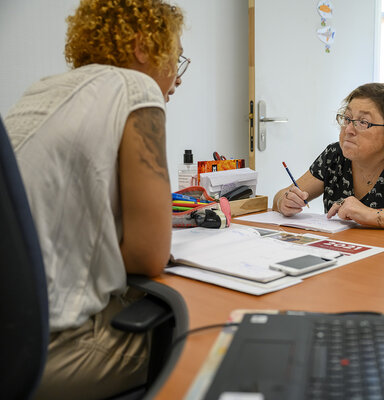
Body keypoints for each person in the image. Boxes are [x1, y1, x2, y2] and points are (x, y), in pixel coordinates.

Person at [4, 0, 187, 398]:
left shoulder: (43, 90)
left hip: (13, 328)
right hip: (46, 350)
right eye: (177, 56)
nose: (177, 77)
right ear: (143, 46)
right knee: (200, 341)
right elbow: (149, 255)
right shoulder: (136, 87)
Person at [273, 82, 384, 232]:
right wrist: (285, 201)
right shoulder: (334, 156)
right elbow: (280, 196)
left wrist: (370, 215)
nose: (348, 130)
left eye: (363, 122)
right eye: (347, 118)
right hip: (340, 255)